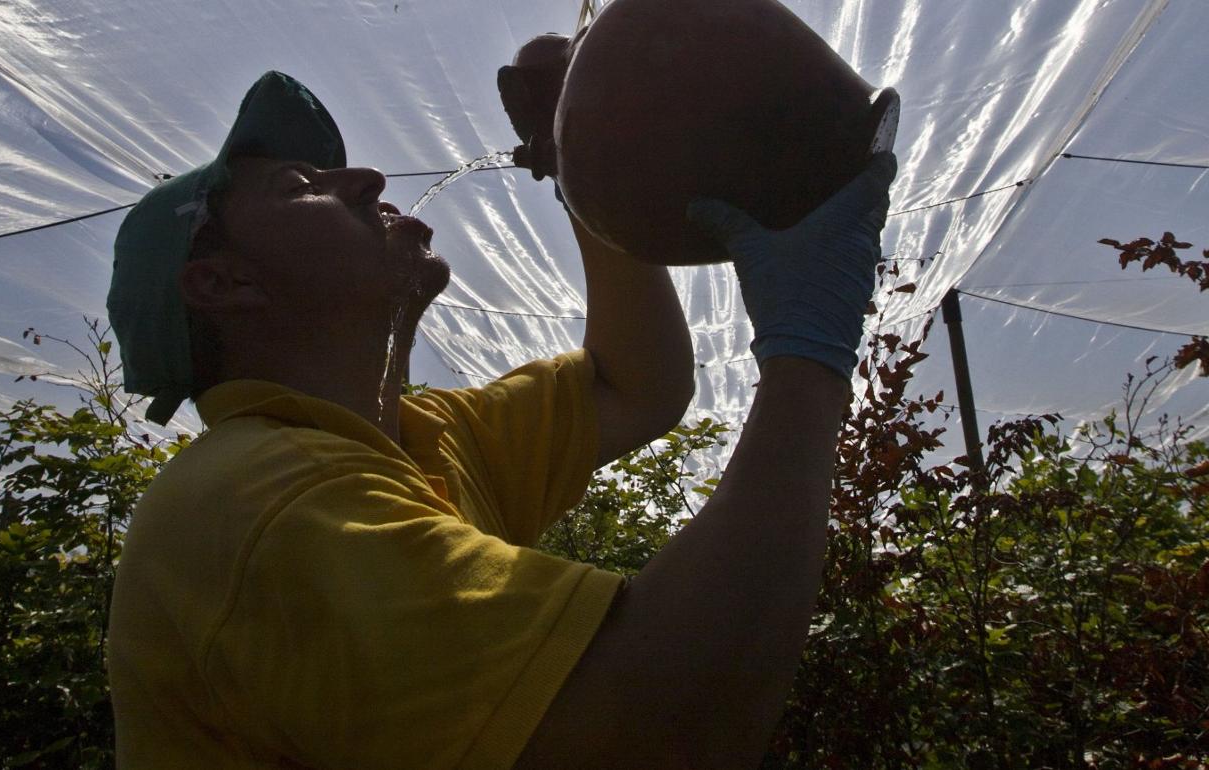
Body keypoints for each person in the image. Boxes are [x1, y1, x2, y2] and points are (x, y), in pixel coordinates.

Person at [105, 70, 895, 769]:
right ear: (224, 284)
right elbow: (656, 731)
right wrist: (808, 361)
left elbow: (636, 385)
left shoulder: (420, 441)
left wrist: (578, 158)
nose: (366, 177)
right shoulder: (265, 501)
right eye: (300, 183)